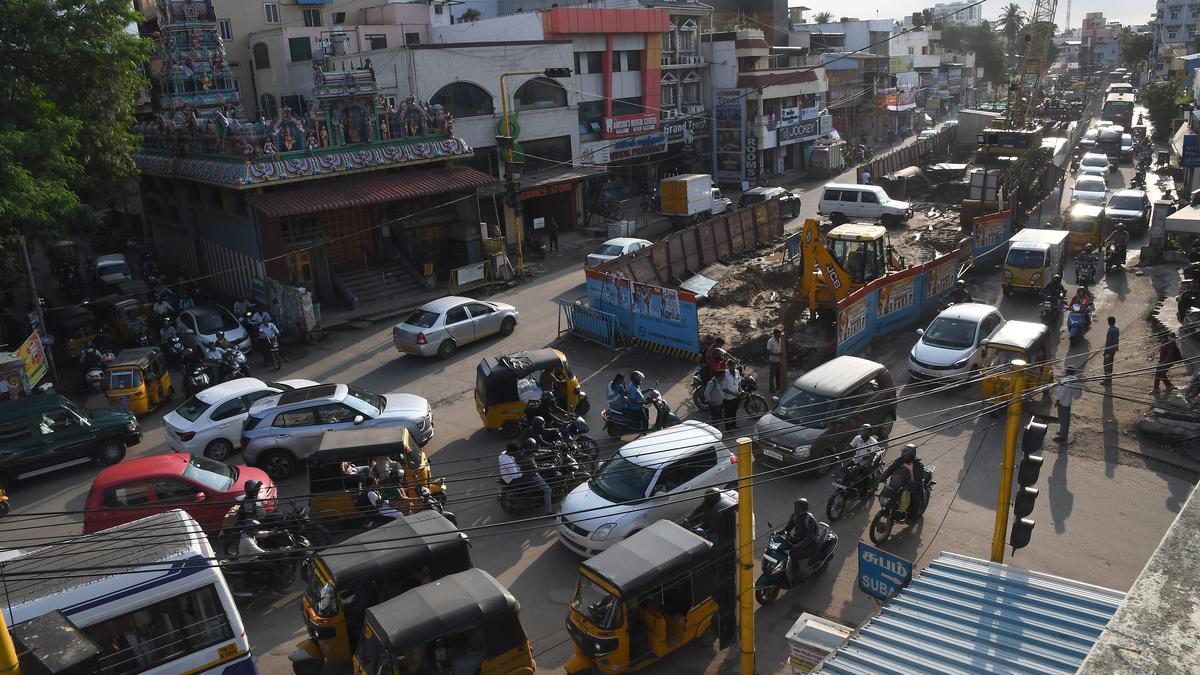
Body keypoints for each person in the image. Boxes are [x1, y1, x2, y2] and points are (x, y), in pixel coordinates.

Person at [881, 443, 925, 518]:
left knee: (915, 500)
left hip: (913, 487)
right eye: (903, 453)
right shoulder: (900, 460)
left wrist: (910, 487)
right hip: (899, 484)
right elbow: (891, 468)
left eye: (905, 454)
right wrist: (883, 476)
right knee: (888, 494)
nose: (903, 455)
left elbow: (917, 481)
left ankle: (913, 517)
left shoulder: (918, 465)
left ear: (911, 455)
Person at [515, 438, 552, 515]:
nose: (534, 449)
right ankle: (548, 511)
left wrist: (549, 452)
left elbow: (536, 454)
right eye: (533, 448)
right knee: (548, 490)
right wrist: (549, 467)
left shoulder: (523, 453)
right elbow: (536, 469)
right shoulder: (527, 458)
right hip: (531, 475)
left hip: (525, 473)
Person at [1054, 367, 1083, 443]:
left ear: (1067, 372)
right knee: (1065, 419)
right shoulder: (1075, 380)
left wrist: (1057, 400)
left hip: (1063, 403)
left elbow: (1061, 393)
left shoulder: (1065, 381)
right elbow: (1077, 394)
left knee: (1063, 420)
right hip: (1069, 402)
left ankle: (1063, 437)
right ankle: (1063, 432)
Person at [719, 364, 742, 432]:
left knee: (734, 412)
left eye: (733, 365)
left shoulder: (737, 371)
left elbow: (739, 382)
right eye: (730, 366)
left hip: (736, 396)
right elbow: (724, 388)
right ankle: (728, 428)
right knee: (727, 414)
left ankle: (733, 425)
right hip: (728, 398)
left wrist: (740, 389)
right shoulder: (725, 374)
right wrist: (734, 394)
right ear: (728, 366)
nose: (732, 367)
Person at [766, 329, 784, 394]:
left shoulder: (780, 340)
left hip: (779, 361)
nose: (780, 335)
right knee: (772, 376)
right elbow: (768, 352)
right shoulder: (770, 341)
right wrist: (777, 355)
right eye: (779, 334)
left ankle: (778, 387)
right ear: (775, 334)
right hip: (773, 361)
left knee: (778, 375)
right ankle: (771, 389)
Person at [1103, 316, 1119, 383]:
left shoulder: (1110, 330)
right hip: (1113, 349)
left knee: (1106, 364)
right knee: (1110, 364)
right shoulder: (1116, 329)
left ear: (1109, 322)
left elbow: (1108, 341)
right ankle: (1109, 379)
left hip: (1109, 350)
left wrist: (1105, 351)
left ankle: (1107, 380)